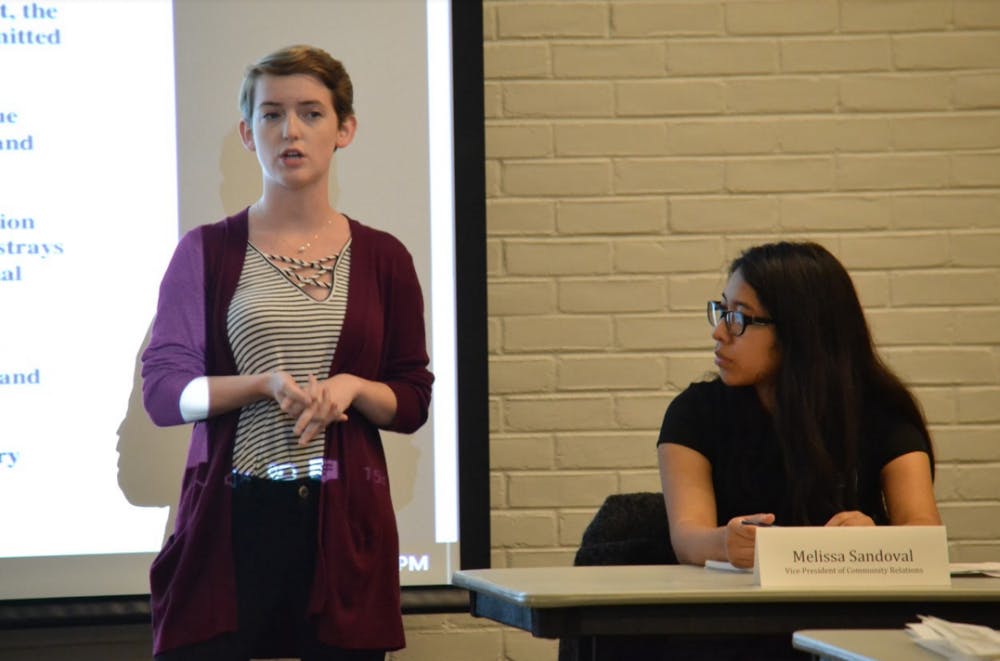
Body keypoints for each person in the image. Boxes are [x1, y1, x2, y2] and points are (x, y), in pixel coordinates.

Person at [141, 45, 433, 660]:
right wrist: (261, 384)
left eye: (311, 113)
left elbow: (411, 400)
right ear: (248, 134)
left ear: (344, 129)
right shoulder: (205, 251)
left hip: (341, 520)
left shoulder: (384, 258)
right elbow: (165, 394)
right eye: (271, 114)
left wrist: (353, 387)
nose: (290, 130)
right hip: (231, 521)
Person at [657, 241, 941, 569]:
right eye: (722, 311)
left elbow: (925, 529)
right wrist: (724, 543)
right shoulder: (695, 412)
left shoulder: (880, 412)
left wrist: (875, 538)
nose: (719, 332)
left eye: (738, 318)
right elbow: (687, 536)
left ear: (798, 330)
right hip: (732, 594)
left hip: (847, 592)